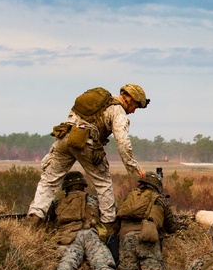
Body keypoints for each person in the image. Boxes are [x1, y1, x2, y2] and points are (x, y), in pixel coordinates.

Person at [27, 85, 150, 230]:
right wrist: (133, 167)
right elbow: (123, 142)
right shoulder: (118, 111)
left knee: (49, 180)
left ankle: (34, 219)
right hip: (86, 142)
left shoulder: (95, 103)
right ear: (128, 98)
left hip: (64, 137)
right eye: (135, 106)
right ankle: (108, 225)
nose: (134, 111)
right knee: (103, 183)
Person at [46, 171, 124, 270]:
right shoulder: (92, 200)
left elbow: (47, 221)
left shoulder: (58, 203)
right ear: (83, 186)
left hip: (70, 237)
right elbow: (113, 213)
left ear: (66, 187)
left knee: (67, 262)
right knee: (103, 266)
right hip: (91, 235)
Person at [116, 171, 177, 270]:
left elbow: (117, 218)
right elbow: (171, 227)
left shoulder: (130, 196)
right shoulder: (159, 200)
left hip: (126, 237)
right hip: (147, 236)